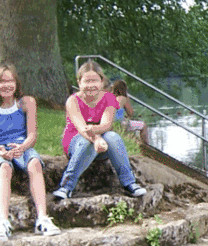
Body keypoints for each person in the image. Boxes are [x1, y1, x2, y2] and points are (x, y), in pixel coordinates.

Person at [0, 63, 60, 239]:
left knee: (35, 164)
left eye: (10, 81)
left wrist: (22, 147)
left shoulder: (27, 102)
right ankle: (3, 221)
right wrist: (0, 152)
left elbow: (32, 135)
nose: (6, 85)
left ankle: (43, 219)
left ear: (16, 83)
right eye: (1, 81)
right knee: (5, 168)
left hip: (22, 145)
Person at [52, 61, 147, 199]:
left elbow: (106, 125)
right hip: (77, 143)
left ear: (102, 82)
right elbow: (81, 128)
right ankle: (66, 187)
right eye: (86, 81)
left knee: (113, 137)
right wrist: (96, 138)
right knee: (87, 142)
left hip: (103, 145)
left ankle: (129, 184)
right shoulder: (72, 101)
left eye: (94, 81)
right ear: (79, 82)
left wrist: (97, 134)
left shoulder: (109, 98)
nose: (90, 85)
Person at [110, 78, 151, 145]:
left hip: (111, 124)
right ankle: (146, 146)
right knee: (143, 125)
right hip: (120, 124)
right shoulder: (124, 98)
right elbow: (131, 113)